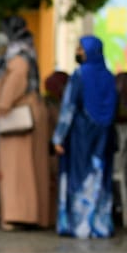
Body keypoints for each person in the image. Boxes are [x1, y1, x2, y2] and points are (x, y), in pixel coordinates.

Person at [0, 15, 54, 230]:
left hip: (18, 117)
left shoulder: (17, 58)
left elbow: (14, 84)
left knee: (16, 168)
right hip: (31, 113)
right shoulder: (27, 52)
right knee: (33, 167)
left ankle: (18, 215)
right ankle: (35, 214)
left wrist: (1, 106)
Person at [52, 36, 117, 239]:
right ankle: (99, 226)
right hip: (103, 136)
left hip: (80, 135)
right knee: (99, 176)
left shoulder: (80, 75)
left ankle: (79, 226)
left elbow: (69, 108)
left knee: (79, 177)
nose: (78, 52)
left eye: (81, 49)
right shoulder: (109, 77)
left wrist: (58, 137)